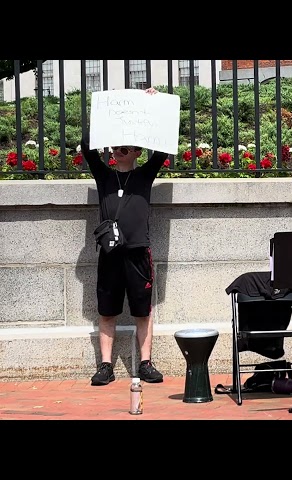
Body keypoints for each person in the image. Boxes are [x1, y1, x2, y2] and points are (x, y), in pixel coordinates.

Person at [81, 87, 168, 386]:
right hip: (110, 254)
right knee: (107, 310)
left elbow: (164, 148)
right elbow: (86, 146)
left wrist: (152, 107)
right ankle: (105, 366)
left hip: (138, 252)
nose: (117, 152)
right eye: (115, 148)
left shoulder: (144, 175)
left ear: (136, 153)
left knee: (143, 310)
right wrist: (104, 112)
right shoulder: (104, 175)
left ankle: (145, 363)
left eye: (124, 149)